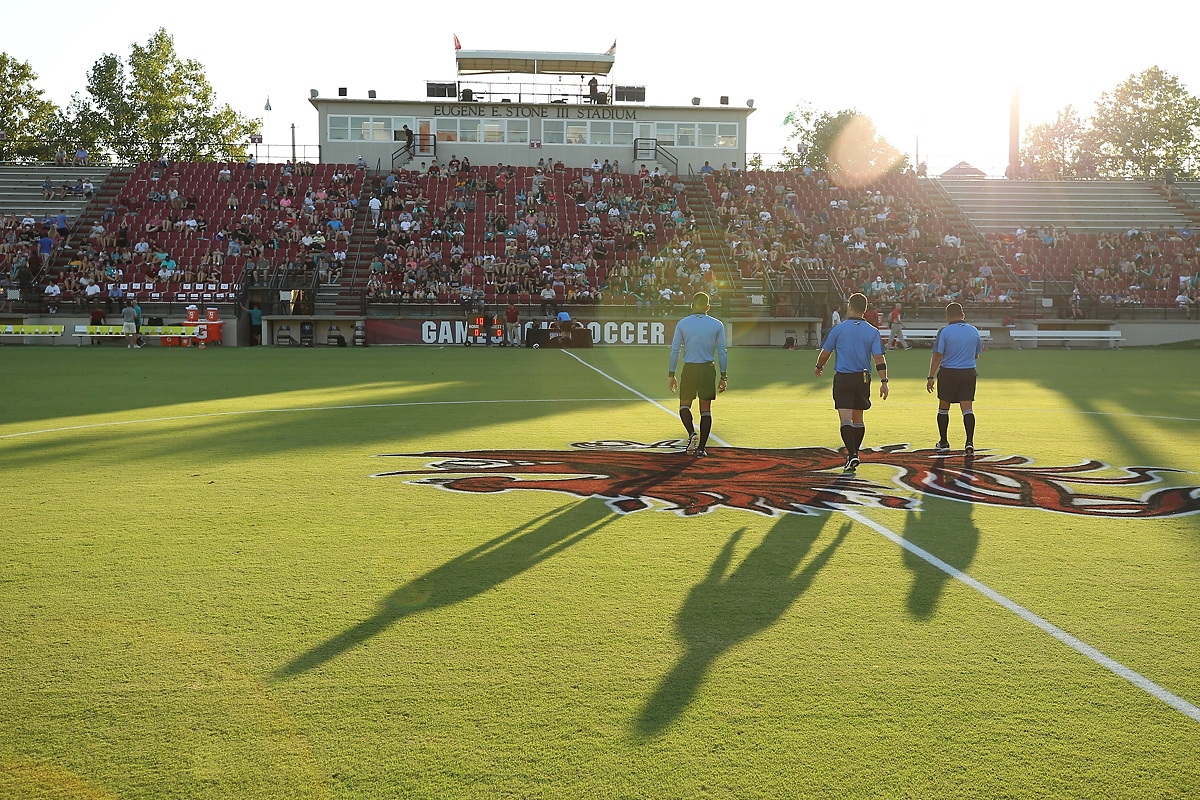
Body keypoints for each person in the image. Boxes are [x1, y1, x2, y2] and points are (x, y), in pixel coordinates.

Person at [814, 292, 888, 473]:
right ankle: (854, 454)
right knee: (858, 419)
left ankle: (853, 453)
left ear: (849, 306)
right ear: (865, 309)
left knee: (845, 419)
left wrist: (819, 366)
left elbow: (825, 353)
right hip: (863, 378)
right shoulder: (872, 331)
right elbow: (879, 358)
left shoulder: (838, 329)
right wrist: (884, 381)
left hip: (844, 378)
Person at [668, 292, 727, 457]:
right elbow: (722, 351)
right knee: (705, 410)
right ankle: (701, 448)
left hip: (690, 369)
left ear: (692, 306)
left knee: (684, 406)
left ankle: (692, 433)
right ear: (708, 307)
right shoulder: (717, 325)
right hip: (708, 369)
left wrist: (671, 373)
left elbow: (675, 350)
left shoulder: (682, 324)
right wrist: (724, 376)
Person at [927, 302, 983, 454]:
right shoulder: (974, 331)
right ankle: (969, 442)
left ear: (948, 317)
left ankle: (944, 442)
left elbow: (938, 354)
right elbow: (976, 354)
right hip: (968, 372)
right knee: (967, 409)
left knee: (943, 409)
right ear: (963, 315)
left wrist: (930, 376)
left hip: (949, 373)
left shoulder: (944, 332)